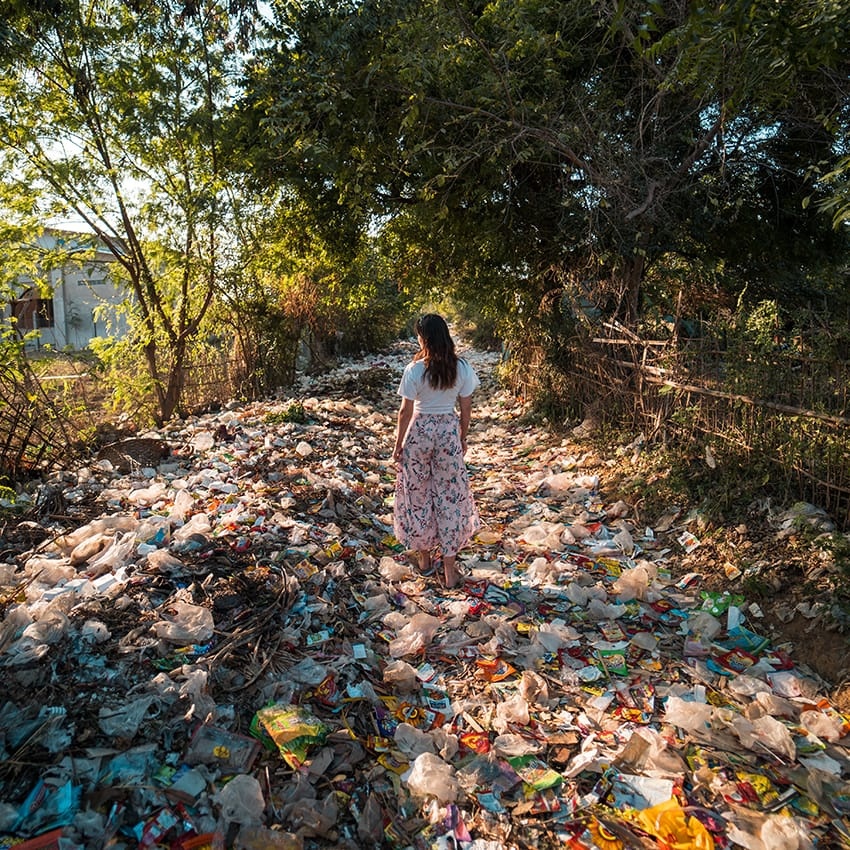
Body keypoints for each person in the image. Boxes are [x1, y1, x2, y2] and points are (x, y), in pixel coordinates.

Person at [392, 314, 480, 588]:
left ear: (424, 338)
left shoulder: (414, 369)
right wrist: (462, 437)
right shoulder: (461, 368)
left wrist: (398, 445)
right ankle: (450, 570)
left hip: (419, 434)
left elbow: (405, 412)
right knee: (449, 497)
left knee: (418, 495)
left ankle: (425, 560)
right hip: (447, 432)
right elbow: (466, 409)